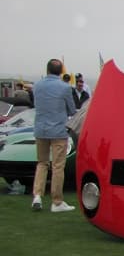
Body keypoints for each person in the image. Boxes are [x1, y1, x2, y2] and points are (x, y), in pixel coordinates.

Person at [31, 59, 77, 212]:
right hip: (58, 131)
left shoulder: (37, 86)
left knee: (42, 163)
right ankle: (56, 202)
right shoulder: (65, 88)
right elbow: (71, 111)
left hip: (40, 129)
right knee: (58, 166)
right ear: (61, 71)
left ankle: (37, 195)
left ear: (47, 69)